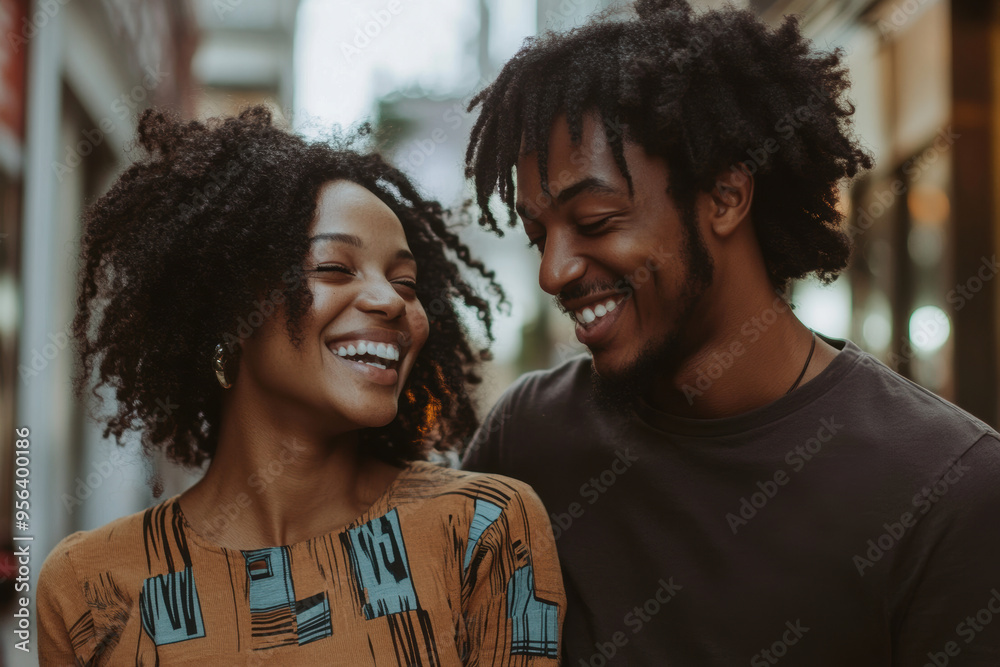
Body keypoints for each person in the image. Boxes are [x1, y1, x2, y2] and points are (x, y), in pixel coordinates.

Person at [461, 0, 1000, 664]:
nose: (554, 271)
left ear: (724, 196)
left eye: (596, 220)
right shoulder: (532, 439)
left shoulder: (948, 488)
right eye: (539, 235)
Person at [37, 106, 565, 665]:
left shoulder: (480, 531)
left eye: (406, 282)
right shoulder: (88, 589)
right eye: (335, 268)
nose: (391, 301)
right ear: (231, 312)